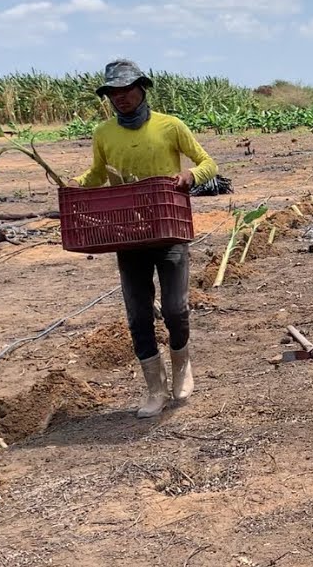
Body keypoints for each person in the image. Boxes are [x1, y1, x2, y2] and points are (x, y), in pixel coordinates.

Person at [72, 59, 218, 418]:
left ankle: (182, 367)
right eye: (114, 93)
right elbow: (97, 174)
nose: (121, 98)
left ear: (142, 89)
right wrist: (73, 186)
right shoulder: (103, 133)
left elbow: (208, 163)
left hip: (169, 229)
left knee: (175, 309)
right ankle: (155, 388)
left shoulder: (170, 126)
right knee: (137, 315)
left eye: (127, 90)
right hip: (129, 234)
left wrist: (190, 176)